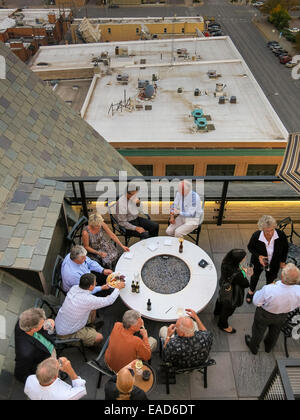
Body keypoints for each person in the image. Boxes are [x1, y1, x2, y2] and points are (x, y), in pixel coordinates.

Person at [55, 273, 125, 348]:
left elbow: (89, 292)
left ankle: (91, 326)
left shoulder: (74, 288)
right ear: (91, 286)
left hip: (62, 323)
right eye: (95, 283)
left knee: (93, 308)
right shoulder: (88, 300)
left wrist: (101, 288)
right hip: (67, 333)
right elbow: (109, 301)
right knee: (100, 337)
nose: (96, 283)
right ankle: (92, 344)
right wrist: (118, 288)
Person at [245, 263, 300, 355]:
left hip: (264, 314)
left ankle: (254, 347)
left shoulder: (269, 289)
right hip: (283, 315)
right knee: (275, 332)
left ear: (282, 276)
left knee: (258, 331)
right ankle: (268, 347)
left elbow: (256, 302)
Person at [246, 215, 289, 304]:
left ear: (274, 227)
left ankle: (267, 294)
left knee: (271, 278)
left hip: (274, 262)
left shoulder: (280, 235)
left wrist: (282, 262)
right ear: (262, 229)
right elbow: (250, 247)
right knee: (254, 277)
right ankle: (251, 292)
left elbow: (285, 249)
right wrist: (259, 256)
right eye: (266, 231)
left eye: (271, 230)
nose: (269, 233)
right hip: (258, 262)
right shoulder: (256, 235)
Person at [14, 308, 56, 383]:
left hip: (48, 345)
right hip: (45, 358)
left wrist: (50, 321)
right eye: (42, 323)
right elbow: (20, 373)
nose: (44, 322)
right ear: (34, 329)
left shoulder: (23, 321)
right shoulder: (25, 353)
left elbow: (45, 324)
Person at [214, 249, 250, 334]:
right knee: (228, 309)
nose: (244, 258)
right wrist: (244, 273)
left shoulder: (225, 262)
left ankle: (217, 312)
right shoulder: (237, 274)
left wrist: (240, 270)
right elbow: (246, 284)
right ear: (237, 260)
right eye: (243, 257)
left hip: (224, 285)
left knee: (221, 298)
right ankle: (223, 324)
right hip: (232, 293)